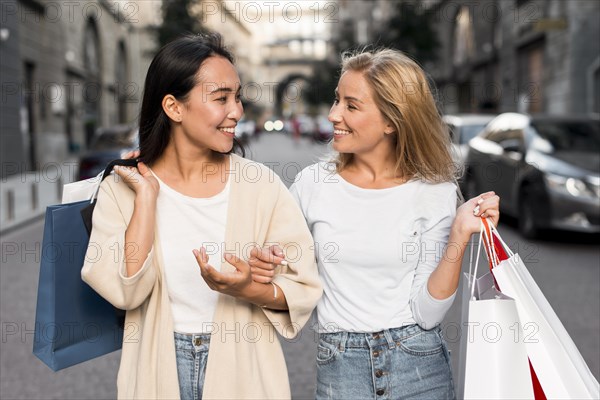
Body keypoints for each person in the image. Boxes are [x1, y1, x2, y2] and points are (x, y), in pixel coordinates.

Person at [81, 33, 322, 400]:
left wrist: (250, 288)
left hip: (244, 373)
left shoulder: (260, 186)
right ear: (174, 107)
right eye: (221, 98)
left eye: (237, 96)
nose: (237, 111)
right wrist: (146, 200)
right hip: (156, 371)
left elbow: (301, 290)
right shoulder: (122, 190)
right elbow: (125, 292)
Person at [250, 48, 500, 399]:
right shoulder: (312, 185)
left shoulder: (435, 191)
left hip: (419, 365)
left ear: (391, 121)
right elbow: (284, 268)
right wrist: (270, 258)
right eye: (337, 100)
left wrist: (458, 235)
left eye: (351, 106)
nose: (334, 114)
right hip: (341, 367)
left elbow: (427, 314)